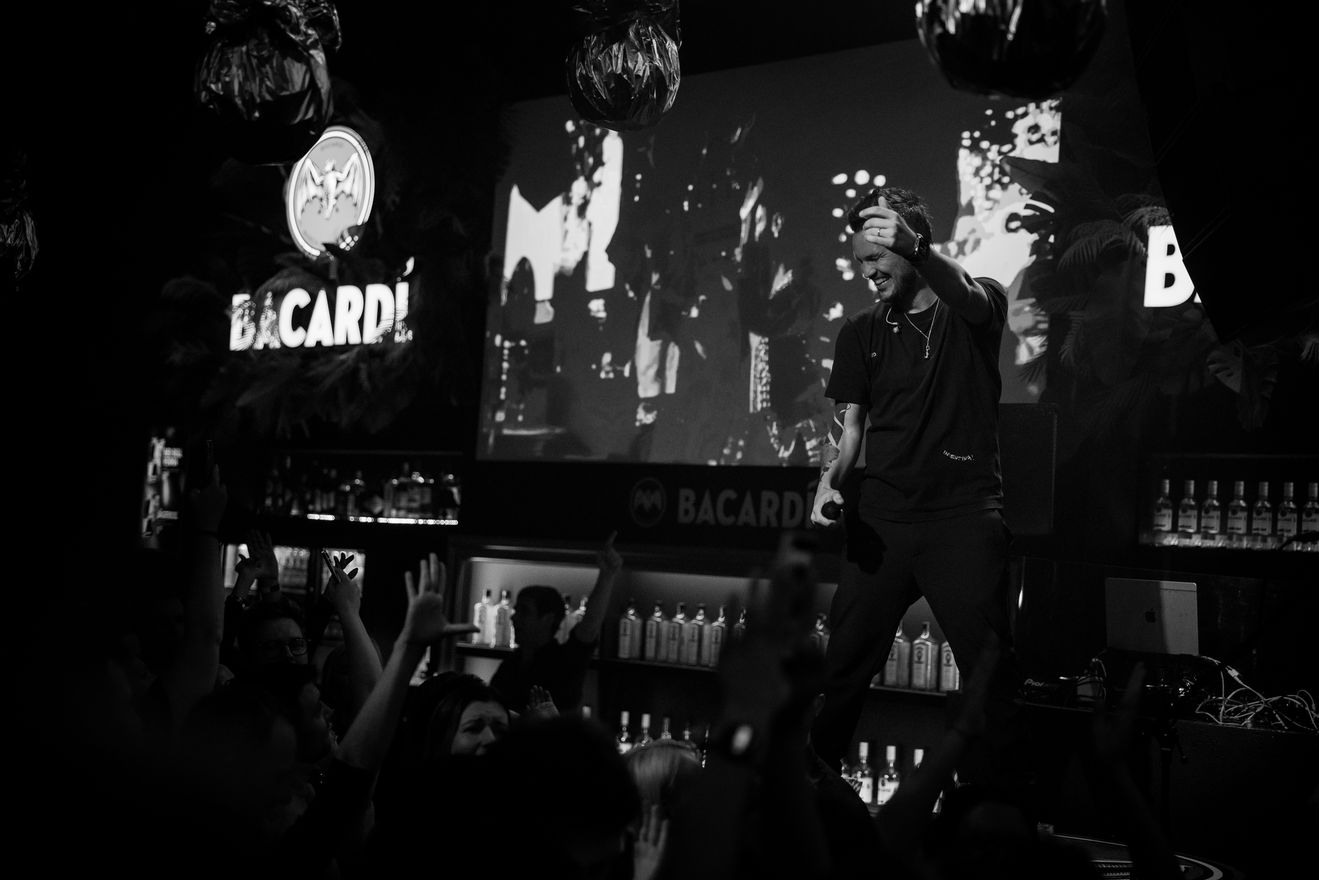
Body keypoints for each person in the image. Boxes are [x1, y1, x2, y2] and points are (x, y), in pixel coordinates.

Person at [809, 185, 1026, 800]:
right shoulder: (860, 332)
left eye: (877, 258)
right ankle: (812, 795)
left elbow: (963, 291)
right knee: (842, 669)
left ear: (911, 246)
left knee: (990, 673)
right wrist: (827, 484)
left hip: (963, 519)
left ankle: (993, 810)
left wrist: (919, 248)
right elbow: (850, 429)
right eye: (860, 262)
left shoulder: (974, 304)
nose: (867, 273)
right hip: (883, 518)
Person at [489, 530, 623, 715]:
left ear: (548, 619)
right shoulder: (510, 664)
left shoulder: (564, 661)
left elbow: (589, 626)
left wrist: (607, 576)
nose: (514, 617)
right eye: (516, 611)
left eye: (524, 612)